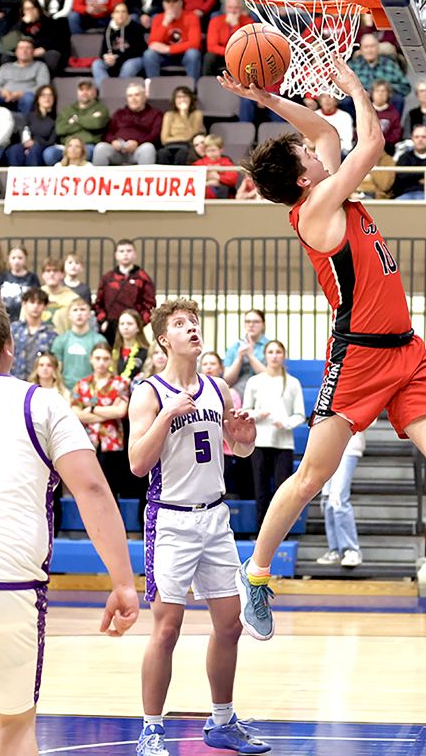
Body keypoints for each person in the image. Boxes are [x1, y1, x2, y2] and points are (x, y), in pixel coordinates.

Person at [218, 57, 426, 641]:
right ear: (302, 180)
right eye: (311, 159)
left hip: (407, 351)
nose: (319, 151)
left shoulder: (325, 190)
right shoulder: (315, 209)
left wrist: (266, 101)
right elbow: (370, 137)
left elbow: (321, 134)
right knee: (313, 473)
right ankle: (256, 573)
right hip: (359, 355)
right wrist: (354, 88)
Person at [0, 292, 139, 756]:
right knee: (12, 728)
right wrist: (123, 582)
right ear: (11, 346)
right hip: (9, 587)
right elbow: (93, 490)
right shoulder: (42, 403)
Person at [126, 298, 268, 756]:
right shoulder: (149, 392)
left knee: (230, 625)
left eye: (194, 322)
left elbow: (238, 448)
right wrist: (169, 414)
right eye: (181, 324)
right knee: (166, 629)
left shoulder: (217, 387)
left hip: (216, 517)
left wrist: (245, 442)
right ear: (164, 339)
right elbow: (136, 463)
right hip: (170, 518)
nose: (192, 329)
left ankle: (222, 721)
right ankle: (151, 730)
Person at [242, 339, 305, 531]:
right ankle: (261, 531)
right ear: (265, 355)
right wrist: (257, 414)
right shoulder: (254, 382)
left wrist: (285, 423)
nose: (274, 356)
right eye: (270, 352)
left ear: (283, 356)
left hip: (283, 444)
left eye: (278, 352)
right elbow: (246, 410)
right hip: (260, 442)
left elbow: (300, 414)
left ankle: (280, 532)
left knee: (282, 492)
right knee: (261, 491)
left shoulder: (293, 383)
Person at [71, 340, 129, 495]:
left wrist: (91, 409)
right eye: (97, 358)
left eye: (105, 358)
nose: (101, 363)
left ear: (111, 360)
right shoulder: (82, 384)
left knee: (110, 489)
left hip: (112, 443)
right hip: (86, 442)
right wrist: (105, 413)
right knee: (87, 488)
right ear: (91, 359)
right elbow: (75, 413)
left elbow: (120, 412)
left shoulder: (120, 383)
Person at [316, 429, 365, 567]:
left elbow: (368, 417)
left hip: (348, 448)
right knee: (327, 500)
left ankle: (351, 550)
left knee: (338, 499)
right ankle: (335, 550)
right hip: (327, 449)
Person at [94, 238, 156, 345]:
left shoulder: (143, 278)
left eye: (129, 251)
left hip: (133, 329)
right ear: (116, 255)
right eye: (122, 251)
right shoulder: (107, 278)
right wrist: (103, 321)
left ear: (135, 254)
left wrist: (139, 323)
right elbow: (99, 303)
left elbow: (150, 306)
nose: (125, 254)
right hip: (110, 329)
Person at [201, 350, 245, 496]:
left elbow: (232, 423)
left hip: (225, 452)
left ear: (221, 368)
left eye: (212, 364)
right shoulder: (192, 392)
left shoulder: (230, 393)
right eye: (205, 364)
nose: (208, 367)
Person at [92, 82, 163, 166]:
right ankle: (101, 178)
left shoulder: (155, 114)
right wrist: (113, 141)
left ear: (144, 97)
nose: (133, 98)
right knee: (100, 148)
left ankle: (145, 179)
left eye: (137, 95)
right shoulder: (119, 113)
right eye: (130, 96)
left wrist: (138, 143)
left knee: (148, 148)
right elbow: (108, 133)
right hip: (118, 151)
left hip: (139, 149)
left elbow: (155, 135)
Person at [143, 0, 202, 83]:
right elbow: (152, 43)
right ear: (163, 4)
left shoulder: (191, 17)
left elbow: (195, 43)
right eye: (168, 2)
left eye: (174, 2)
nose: (171, 5)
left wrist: (169, 49)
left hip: (184, 54)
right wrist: (165, 24)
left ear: (181, 3)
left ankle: (193, 88)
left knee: (193, 53)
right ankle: (154, 87)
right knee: (149, 54)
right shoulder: (158, 18)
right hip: (164, 56)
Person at [51, 297, 107, 391]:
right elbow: (56, 371)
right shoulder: (60, 340)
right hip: (65, 391)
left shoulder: (99, 340)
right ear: (69, 315)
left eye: (83, 309)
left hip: (92, 391)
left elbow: (103, 370)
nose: (79, 313)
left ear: (89, 315)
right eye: (75, 310)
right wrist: (63, 391)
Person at [348, 34, 411, 115]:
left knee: (398, 99)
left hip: (385, 102)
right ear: (361, 49)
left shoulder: (389, 64)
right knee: (346, 101)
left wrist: (387, 90)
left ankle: (393, 126)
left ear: (378, 48)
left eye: (372, 46)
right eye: (366, 47)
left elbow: (405, 86)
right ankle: (355, 126)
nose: (369, 50)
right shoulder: (353, 65)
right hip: (360, 101)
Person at [54, 79, 110, 163]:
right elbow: (60, 129)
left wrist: (76, 119)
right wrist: (88, 120)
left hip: (88, 145)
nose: (84, 92)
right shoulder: (67, 109)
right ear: (77, 92)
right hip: (66, 145)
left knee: (88, 153)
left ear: (93, 92)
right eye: (81, 90)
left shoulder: (101, 108)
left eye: (88, 89)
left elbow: (97, 124)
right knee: (50, 154)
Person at [91, 2, 147, 87]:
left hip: (132, 59)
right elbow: (103, 50)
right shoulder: (108, 28)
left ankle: (121, 91)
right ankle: (106, 90)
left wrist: (118, 58)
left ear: (128, 14)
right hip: (114, 60)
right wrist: (106, 57)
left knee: (129, 66)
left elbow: (139, 50)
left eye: (123, 11)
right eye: (117, 12)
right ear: (112, 15)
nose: (120, 14)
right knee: (97, 64)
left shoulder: (135, 27)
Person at [4, 82, 56, 167]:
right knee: (15, 149)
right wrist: (27, 145)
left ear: (54, 99)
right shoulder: (29, 116)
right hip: (26, 144)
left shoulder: (55, 119)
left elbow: (52, 141)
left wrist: (35, 143)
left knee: (35, 150)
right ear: (38, 98)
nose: (47, 98)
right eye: (43, 95)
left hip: (43, 146)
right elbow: (23, 133)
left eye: (50, 95)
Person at [9, 288, 56, 380]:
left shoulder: (51, 334)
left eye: (39, 303)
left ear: (45, 306)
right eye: (32, 302)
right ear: (24, 304)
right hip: (14, 380)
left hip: (38, 384)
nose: (35, 306)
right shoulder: (13, 330)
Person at [7, 0, 63, 75]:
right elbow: (8, 43)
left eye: (32, 8)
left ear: (38, 9)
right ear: (23, 11)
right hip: (22, 52)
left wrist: (44, 48)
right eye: (27, 9)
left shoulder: (49, 22)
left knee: (53, 55)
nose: (30, 12)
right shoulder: (19, 24)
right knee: (6, 56)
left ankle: (44, 81)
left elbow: (56, 40)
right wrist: (22, 24)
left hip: (40, 52)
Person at [0, 38, 50, 114]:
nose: (24, 51)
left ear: (33, 51)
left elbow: (43, 86)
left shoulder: (40, 66)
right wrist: (2, 91)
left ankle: (24, 124)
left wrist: (21, 94)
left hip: (25, 97)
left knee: (28, 98)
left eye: (28, 48)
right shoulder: (6, 67)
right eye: (21, 48)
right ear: (16, 52)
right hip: (4, 97)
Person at [204, 0, 252, 78]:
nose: (233, 11)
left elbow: (246, 44)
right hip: (221, 54)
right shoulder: (216, 21)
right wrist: (228, 52)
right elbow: (211, 46)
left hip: (240, 55)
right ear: (225, 8)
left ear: (241, 9)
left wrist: (236, 25)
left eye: (236, 8)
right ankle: (207, 82)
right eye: (230, 7)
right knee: (209, 57)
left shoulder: (248, 22)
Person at [223, 308, 269, 395]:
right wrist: (239, 358)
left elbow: (270, 378)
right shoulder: (234, 347)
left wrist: (251, 356)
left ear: (263, 325)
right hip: (238, 392)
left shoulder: (270, 347)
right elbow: (227, 380)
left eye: (256, 322)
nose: (251, 325)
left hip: (264, 392)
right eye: (248, 321)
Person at [157, 84, 205, 164]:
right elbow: (164, 139)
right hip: (170, 146)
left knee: (182, 153)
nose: (182, 100)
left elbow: (192, 136)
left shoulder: (197, 114)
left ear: (190, 99)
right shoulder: (169, 115)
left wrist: (184, 114)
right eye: (179, 97)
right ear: (174, 100)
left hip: (188, 146)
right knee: (162, 153)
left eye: (185, 96)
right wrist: (183, 137)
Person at [0, 244, 39, 322]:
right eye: (13, 258)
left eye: (20, 258)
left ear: (25, 259)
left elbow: (37, 298)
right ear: (9, 259)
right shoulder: (2, 277)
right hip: (5, 320)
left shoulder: (32, 277)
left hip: (25, 321)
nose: (16, 261)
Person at [39, 255, 79, 334]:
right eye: (48, 270)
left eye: (55, 271)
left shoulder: (73, 298)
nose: (51, 274)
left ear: (62, 274)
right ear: (42, 275)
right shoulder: (33, 297)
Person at [192, 133, 239, 199]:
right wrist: (208, 182)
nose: (211, 153)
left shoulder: (226, 162)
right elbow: (193, 179)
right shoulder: (199, 163)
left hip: (224, 196)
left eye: (213, 150)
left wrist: (217, 177)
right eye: (208, 151)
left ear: (221, 150)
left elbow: (232, 179)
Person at [113, 308, 150, 382]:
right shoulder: (114, 352)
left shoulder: (146, 352)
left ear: (138, 328)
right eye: (122, 324)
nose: (125, 327)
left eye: (129, 324)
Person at [371, 79, 401, 154]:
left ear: (388, 94)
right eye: (377, 91)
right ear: (372, 93)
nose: (380, 94)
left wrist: (382, 141)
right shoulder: (365, 110)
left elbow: (396, 134)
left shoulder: (393, 113)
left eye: (383, 91)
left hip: (387, 147)